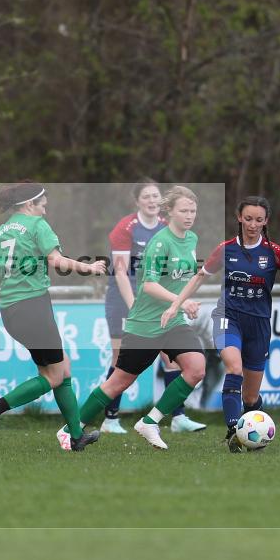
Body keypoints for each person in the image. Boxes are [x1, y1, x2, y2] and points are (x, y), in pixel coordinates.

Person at [161, 195, 280, 452]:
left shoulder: (273, 253)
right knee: (233, 368)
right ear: (240, 217)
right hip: (228, 318)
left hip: (259, 325)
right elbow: (199, 277)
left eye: (259, 220)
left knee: (250, 397)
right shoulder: (226, 249)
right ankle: (233, 430)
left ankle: (256, 427)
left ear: (266, 222)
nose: (253, 224)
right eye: (249, 218)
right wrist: (175, 305)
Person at [0, 181, 105, 451]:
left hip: (11, 312)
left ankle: (76, 436)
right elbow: (56, 261)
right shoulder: (36, 226)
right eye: (43, 204)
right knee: (55, 375)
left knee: (61, 368)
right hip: (34, 308)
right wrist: (89, 268)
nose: (45, 209)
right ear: (29, 205)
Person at [69, 186, 206, 451]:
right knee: (119, 381)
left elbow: (184, 279)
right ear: (171, 212)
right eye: (184, 210)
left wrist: (185, 302)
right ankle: (71, 428)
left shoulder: (191, 239)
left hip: (172, 321)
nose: (190, 215)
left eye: (193, 211)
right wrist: (181, 301)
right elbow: (148, 285)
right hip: (145, 324)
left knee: (196, 368)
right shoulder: (159, 242)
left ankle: (151, 421)